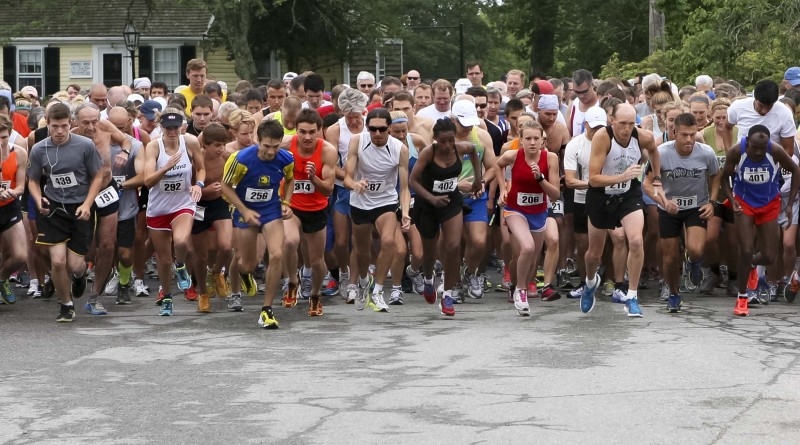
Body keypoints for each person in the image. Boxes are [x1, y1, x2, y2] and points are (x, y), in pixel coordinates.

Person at [580, 103, 661, 318]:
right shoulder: (602, 137)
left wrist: (657, 179)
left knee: (635, 240)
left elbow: (654, 150)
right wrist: (622, 176)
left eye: (630, 123)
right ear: (611, 120)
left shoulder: (642, 137)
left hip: (628, 194)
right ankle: (590, 283)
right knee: (594, 255)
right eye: (621, 123)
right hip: (601, 196)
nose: (626, 128)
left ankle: (632, 296)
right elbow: (593, 179)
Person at [27, 103, 105, 322]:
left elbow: (98, 175)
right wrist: (37, 197)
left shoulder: (85, 145)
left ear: (70, 124)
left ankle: (80, 276)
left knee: (74, 264)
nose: (59, 131)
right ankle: (66, 305)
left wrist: (88, 204)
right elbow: (32, 179)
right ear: (48, 125)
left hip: (80, 207)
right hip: (53, 208)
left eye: (63, 126)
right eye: (54, 127)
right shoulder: (39, 148)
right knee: (58, 262)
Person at [643, 113, 720, 313]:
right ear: (674, 132)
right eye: (684, 135)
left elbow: (715, 176)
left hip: (696, 206)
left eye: (692, 135)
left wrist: (712, 202)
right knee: (669, 258)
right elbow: (647, 184)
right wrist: (663, 201)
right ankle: (674, 294)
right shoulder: (661, 153)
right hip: (669, 208)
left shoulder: (706, 153)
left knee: (696, 249)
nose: (688, 140)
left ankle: (693, 262)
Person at [222, 119, 294, 329]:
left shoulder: (286, 158)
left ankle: (267, 310)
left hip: (271, 210)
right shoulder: (240, 159)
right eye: (266, 146)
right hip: (245, 211)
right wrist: (244, 209)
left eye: (275, 146)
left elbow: (290, 180)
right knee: (248, 263)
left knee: (277, 254)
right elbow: (225, 188)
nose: (271, 152)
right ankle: (244, 273)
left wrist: (287, 203)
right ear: (257, 141)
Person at [721, 125, 800, 316]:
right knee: (746, 250)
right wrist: (732, 200)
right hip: (744, 203)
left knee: (769, 256)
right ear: (747, 142)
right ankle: (742, 297)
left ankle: (753, 265)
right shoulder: (736, 152)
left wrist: (789, 205)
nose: (758, 152)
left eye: (762, 148)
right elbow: (724, 178)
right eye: (754, 147)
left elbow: (796, 171)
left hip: (769, 204)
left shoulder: (776, 151)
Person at [409, 118, 481, 316]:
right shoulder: (428, 153)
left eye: (450, 140)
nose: (447, 145)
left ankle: (447, 295)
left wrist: (478, 179)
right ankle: (428, 280)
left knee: (453, 246)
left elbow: (475, 152)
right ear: (435, 139)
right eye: (443, 141)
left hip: (451, 202)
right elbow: (413, 181)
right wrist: (432, 198)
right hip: (428, 204)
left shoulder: (461, 147)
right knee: (430, 252)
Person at [343, 108, 411, 312]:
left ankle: (379, 291)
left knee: (388, 241)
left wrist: (405, 211)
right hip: (360, 203)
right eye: (373, 129)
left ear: (389, 128)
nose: (377, 134)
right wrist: (354, 185)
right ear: (367, 128)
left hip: (386, 202)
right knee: (362, 250)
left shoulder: (399, 149)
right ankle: (364, 281)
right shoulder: (357, 141)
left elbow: (405, 187)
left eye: (382, 129)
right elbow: (347, 176)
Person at [143, 108, 206, 316]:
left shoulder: (190, 143)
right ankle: (168, 297)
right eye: (168, 128)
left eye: (175, 128)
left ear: (182, 127)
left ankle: (180, 266)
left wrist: (198, 184)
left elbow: (201, 167)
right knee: (163, 260)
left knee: (180, 242)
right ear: (161, 128)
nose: (172, 132)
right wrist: (165, 168)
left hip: (183, 204)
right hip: (158, 208)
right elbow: (147, 181)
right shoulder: (154, 147)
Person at [497, 120, 561, 316]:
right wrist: (502, 189)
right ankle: (521, 290)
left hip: (539, 212)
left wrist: (540, 179)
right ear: (521, 140)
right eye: (528, 138)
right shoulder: (513, 155)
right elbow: (497, 165)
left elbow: (555, 194)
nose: (532, 142)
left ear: (543, 140)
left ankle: (518, 283)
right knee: (527, 247)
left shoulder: (550, 158)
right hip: (515, 209)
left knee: (532, 259)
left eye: (536, 138)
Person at [281, 109, 336, 316]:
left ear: (319, 131)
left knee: (316, 260)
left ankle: (314, 294)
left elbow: (329, 189)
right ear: (296, 131)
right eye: (302, 132)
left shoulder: (327, 151)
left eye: (312, 132)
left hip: (316, 208)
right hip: (291, 205)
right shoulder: (286, 144)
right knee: (289, 242)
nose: (307, 137)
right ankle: (292, 281)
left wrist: (313, 178)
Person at [563, 106, 608, 298]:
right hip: (582, 198)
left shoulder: (611, 142)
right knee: (582, 244)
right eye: (594, 127)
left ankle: (610, 280)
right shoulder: (575, 144)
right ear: (585, 125)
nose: (598, 131)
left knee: (611, 241)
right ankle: (584, 281)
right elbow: (570, 180)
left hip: (608, 198)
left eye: (601, 127)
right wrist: (593, 184)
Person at [191, 123, 234, 312]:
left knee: (226, 245)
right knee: (200, 255)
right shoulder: (195, 160)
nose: (221, 149)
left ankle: (217, 272)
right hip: (198, 206)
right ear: (205, 145)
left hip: (218, 204)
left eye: (223, 144)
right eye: (217, 145)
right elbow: (185, 189)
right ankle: (203, 293)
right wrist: (204, 190)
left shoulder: (226, 157)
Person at [0, 115, 28, 305]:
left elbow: (21, 186)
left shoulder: (19, 153)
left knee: (20, 256)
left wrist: (11, 192)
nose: (0, 142)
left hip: (9, 206)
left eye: (3, 137)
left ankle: (2, 279)